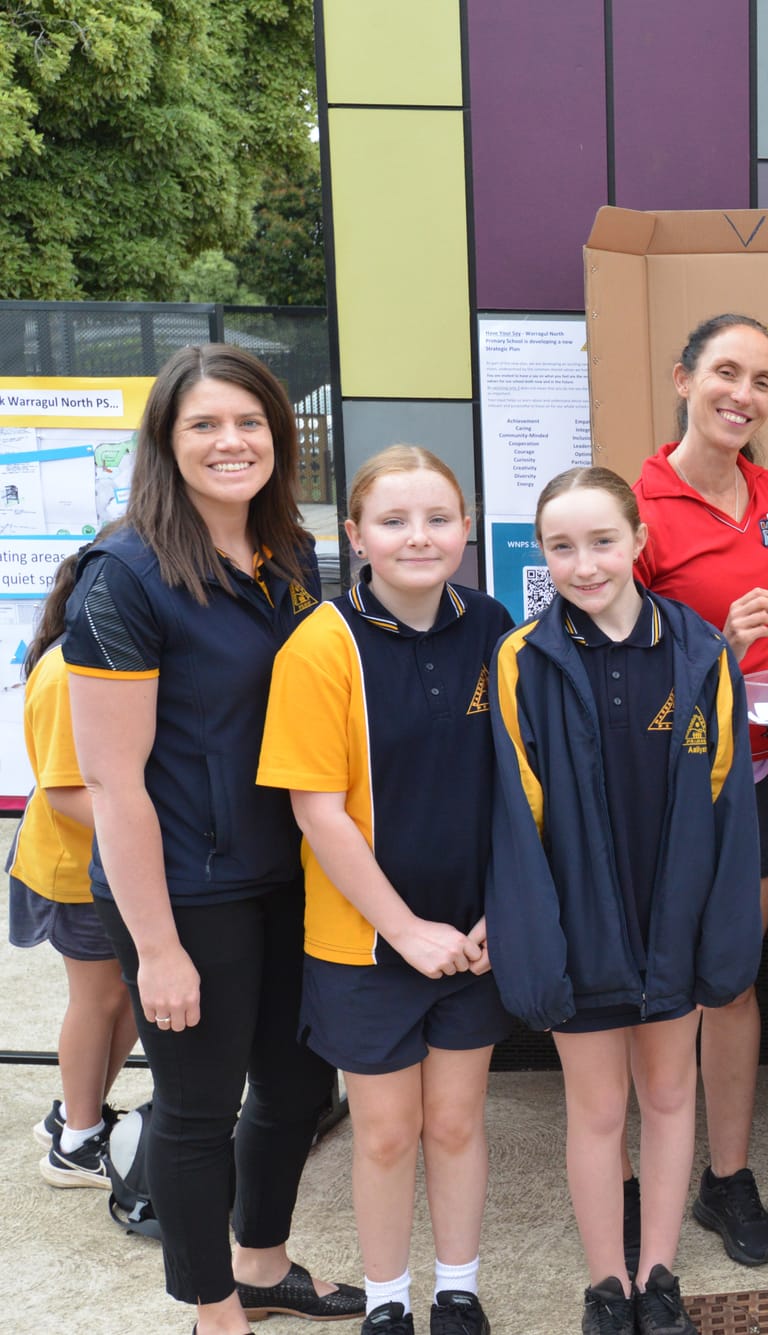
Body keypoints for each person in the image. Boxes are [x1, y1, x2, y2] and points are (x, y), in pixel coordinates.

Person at [64, 343, 362, 1335]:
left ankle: (263, 1261)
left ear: (279, 436)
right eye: (204, 425)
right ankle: (211, 1309)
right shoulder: (124, 576)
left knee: (294, 1084)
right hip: (186, 887)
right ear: (167, 442)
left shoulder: (291, 555)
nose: (231, 441)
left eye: (248, 422)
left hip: (286, 866)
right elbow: (111, 781)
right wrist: (155, 950)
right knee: (196, 1110)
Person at [487, 466, 762, 1335]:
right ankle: (607, 1284)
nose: (585, 562)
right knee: (598, 1109)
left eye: (603, 540)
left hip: (671, 923)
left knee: (672, 1096)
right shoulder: (523, 660)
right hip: (582, 928)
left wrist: (718, 933)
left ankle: (661, 1275)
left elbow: (727, 804)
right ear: (543, 556)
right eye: (561, 546)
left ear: (640, 541)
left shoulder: (700, 652)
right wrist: (538, 937)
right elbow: (516, 811)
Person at [259, 448, 515, 1335]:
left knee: (454, 1123)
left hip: (475, 938)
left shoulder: (495, 625)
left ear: (468, 527)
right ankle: (386, 1304)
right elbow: (316, 811)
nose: (420, 537)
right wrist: (406, 929)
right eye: (395, 521)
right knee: (384, 1133)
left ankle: (457, 1289)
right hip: (366, 943)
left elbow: (520, 786)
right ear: (355, 535)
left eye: (439, 518)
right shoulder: (321, 644)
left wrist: (494, 913)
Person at [631, 312, 768, 1267]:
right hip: (664, 782)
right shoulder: (637, 507)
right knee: (663, 986)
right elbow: (614, 666)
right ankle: (647, 1172)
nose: (744, 394)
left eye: (764, 381)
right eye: (726, 373)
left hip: (759, 773)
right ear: (683, 378)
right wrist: (714, 640)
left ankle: (726, 1179)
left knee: (733, 980)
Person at [10, 546, 138, 1189]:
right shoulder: (67, 669)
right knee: (99, 1000)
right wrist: (157, 831)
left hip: (104, 860)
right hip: (74, 868)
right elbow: (66, 790)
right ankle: (77, 1142)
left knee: (126, 1001)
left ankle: (75, 1112)